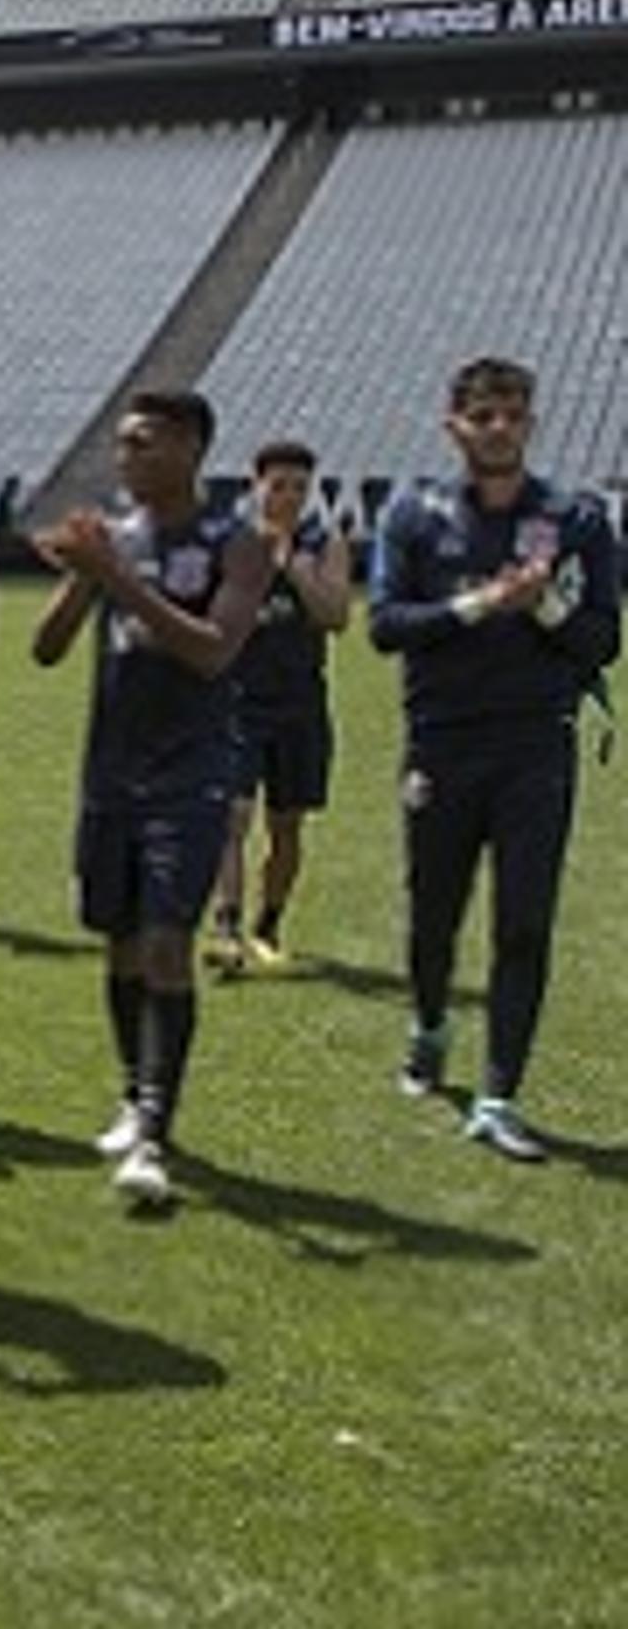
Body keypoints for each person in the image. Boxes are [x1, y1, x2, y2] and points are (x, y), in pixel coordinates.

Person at [365, 356, 619, 1162]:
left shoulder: (575, 519)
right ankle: (431, 1025)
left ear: (531, 423)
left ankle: (498, 1093)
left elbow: (602, 639)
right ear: (455, 425)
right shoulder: (416, 513)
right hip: (442, 741)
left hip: (536, 744)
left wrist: (544, 603)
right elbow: (385, 624)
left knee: (525, 920)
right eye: (483, 415)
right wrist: (481, 604)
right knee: (434, 916)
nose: (499, 428)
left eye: (512, 414)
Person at [28, 391, 269, 1209]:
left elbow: (212, 652)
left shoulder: (236, 542)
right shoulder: (117, 538)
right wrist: (80, 579)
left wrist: (117, 579)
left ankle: (157, 1132)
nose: (126, 457)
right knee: (122, 943)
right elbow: (48, 649)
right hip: (111, 774)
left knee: (168, 941)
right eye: (122, 443)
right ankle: (136, 1092)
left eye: (145, 443)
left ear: (192, 449)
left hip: (190, 773)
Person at [211, 438, 353, 972]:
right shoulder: (232, 542)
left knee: (287, 827)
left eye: (300, 487)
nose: (289, 497)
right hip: (238, 701)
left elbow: (335, 615)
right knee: (232, 816)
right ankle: (225, 927)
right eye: (278, 486)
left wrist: (291, 563)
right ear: (256, 487)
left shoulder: (324, 543)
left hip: (300, 704)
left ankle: (268, 921)